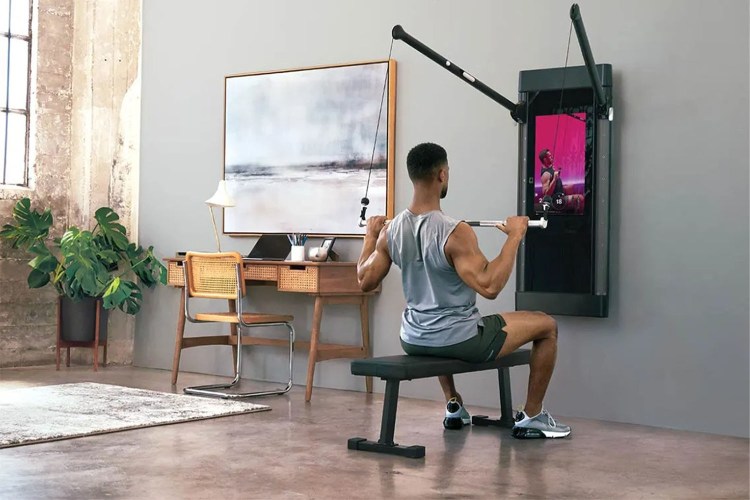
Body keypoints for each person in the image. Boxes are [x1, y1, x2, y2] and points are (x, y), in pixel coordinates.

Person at [357, 142, 570, 439]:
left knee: (439, 319)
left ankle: (454, 405)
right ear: (443, 174)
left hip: (414, 338)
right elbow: (490, 286)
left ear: (413, 176)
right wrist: (515, 236)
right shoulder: (455, 231)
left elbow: (364, 281)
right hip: (461, 340)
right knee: (547, 326)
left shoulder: (392, 231)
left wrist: (370, 236)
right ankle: (532, 416)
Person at [539, 148, 584, 213]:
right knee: (581, 198)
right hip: (556, 201)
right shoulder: (546, 174)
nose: (552, 157)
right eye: (550, 156)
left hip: (559, 194)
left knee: (574, 187)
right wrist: (554, 179)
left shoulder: (550, 167)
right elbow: (546, 194)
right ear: (545, 160)